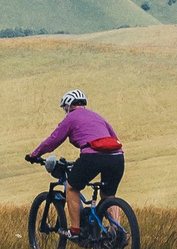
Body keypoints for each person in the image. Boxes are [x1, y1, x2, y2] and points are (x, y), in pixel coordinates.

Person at [27, 89, 123, 237]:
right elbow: (113, 136)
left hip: (93, 156)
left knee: (72, 187)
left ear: (67, 106)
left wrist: (35, 154)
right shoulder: (98, 117)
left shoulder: (71, 118)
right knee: (109, 195)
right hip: (117, 157)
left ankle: (75, 231)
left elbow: (53, 140)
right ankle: (117, 232)